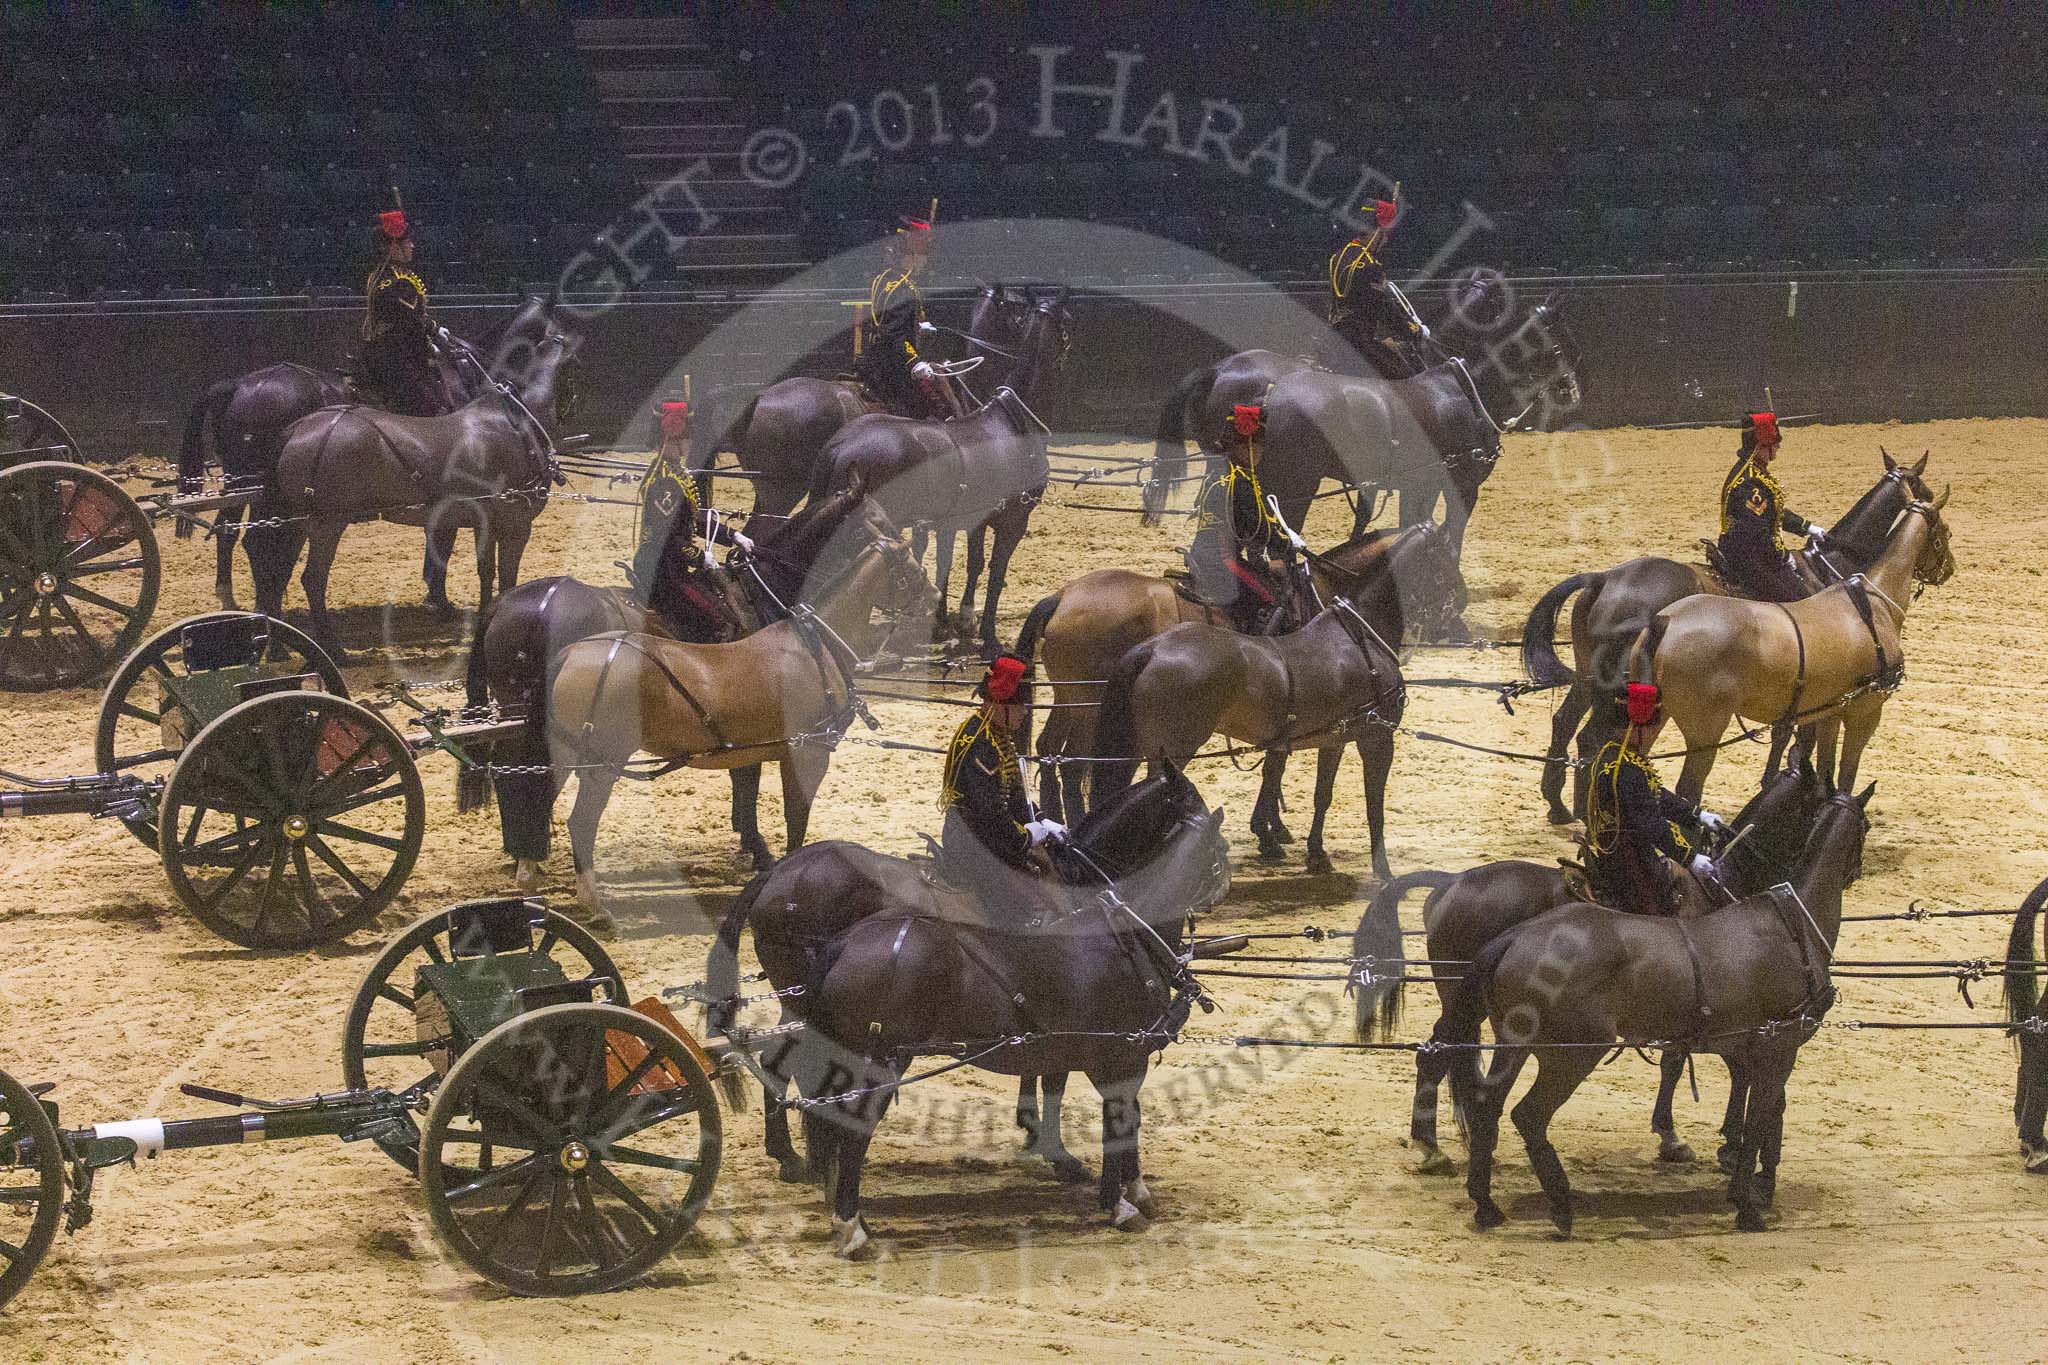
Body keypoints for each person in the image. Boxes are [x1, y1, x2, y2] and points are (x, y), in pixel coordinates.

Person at [1584, 683, 1726, 917]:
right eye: (1650, 728)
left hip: (1627, 844)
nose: (1653, 734)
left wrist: (1697, 815)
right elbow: (1651, 823)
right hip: (1627, 854)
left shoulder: (1619, 755)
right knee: (1655, 910)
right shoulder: (1625, 768)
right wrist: (1689, 858)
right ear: (1633, 727)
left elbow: (1653, 793)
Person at [939, 653, 1066, 900]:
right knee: (1023, 900)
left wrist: (1041, 820)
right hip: (974, 842)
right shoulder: (980, 745)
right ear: (1000, 704)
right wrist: (1026, 836)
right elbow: (989, 811)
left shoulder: (997, 735)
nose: (1026, 712)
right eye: (1020, 705)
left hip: (992, 833)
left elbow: (1012, 792)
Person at [632, 400, 754, 640]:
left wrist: (732, 536)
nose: (689, 446)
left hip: (673, 564)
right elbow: (665, 539)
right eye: (686, 440)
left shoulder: (676, 474)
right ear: (671, 441)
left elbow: (694, 521)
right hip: (662, 573)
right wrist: (700, 558)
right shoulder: (665, 483)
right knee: (720, 621)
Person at [1188, 404, 1306, 634]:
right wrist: (1288, 544)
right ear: (1246, 447)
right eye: (1259, 446)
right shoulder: (1240, 482)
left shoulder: (1217, 473)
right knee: (1269, 599)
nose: (1261, 452)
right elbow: (1259, 529)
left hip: (1203, 554)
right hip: (1223, 562)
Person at [1717, 410, 1825, 602]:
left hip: (1756, 549)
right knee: (1796, 601)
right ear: (1760, 445)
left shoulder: (1756, 471)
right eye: (1773, 444)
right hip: (1748, 556)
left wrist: (1807, 527)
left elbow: (1771, 512)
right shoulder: (1750, 482)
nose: (1777, 448)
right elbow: (1756, 532)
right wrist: (1783, 557)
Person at [856, 216, 955, 419]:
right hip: (893, 365)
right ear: (909, 257)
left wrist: (919, 325)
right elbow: (894, 335)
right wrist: (915, 362)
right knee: (939, 407)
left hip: (876, 358)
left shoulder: (884, 279)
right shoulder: (903, 286)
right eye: (922, 257)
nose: (924, 263)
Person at [359, 210, 448, 418]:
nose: (412, 245)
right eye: (406, 242)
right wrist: (434, 330)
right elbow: (409, 320)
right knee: (427, 407)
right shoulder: (393, 281)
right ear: (391, 247)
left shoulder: (394, 275)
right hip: (396, 355)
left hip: (406, 350)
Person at [1327, 198, 1425, 379]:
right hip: (1360, 346)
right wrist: (1414, 331)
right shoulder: (1370, 265)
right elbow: (1384, 310)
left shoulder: (1338, 256)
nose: (1386, 240)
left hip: (1335, 339)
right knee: (1407, 378)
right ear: (1375, 232)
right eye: (1385, 234)